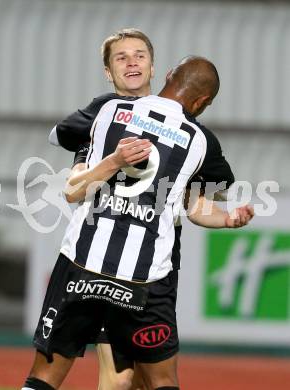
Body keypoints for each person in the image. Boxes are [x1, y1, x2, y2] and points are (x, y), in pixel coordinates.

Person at [22, 56, 254, 390]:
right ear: (202, 103)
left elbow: (69, 164)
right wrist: (229, 217)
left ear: (169, 74)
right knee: (158, 382)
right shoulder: (199, 141)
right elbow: (195, 203)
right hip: (144, 281)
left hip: (81, 265)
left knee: (44, 377)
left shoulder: (109, 110)